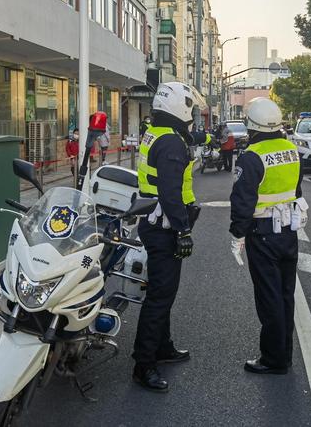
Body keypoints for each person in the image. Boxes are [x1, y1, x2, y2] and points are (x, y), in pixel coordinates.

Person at [133, 82, 210, 393]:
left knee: (162, 292)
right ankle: (143, 364)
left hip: (154, 222)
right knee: (160, 296)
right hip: (164, 226)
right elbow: (170, 192)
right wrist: (183, 231)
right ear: (179, 109)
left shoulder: (158, 133)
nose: (191, 114)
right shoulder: (171, 144)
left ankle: (162, 347)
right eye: (189, 109)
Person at [229, 98, 305, 375]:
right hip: (289, 233)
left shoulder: (252, 156)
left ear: (252, 126)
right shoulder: (292, 150)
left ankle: (273, 359)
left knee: (269, 297)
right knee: (286, 295)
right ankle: (284, 354)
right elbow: (297, 190)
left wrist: (237, 233)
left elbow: (242, 201)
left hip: (262, 234)